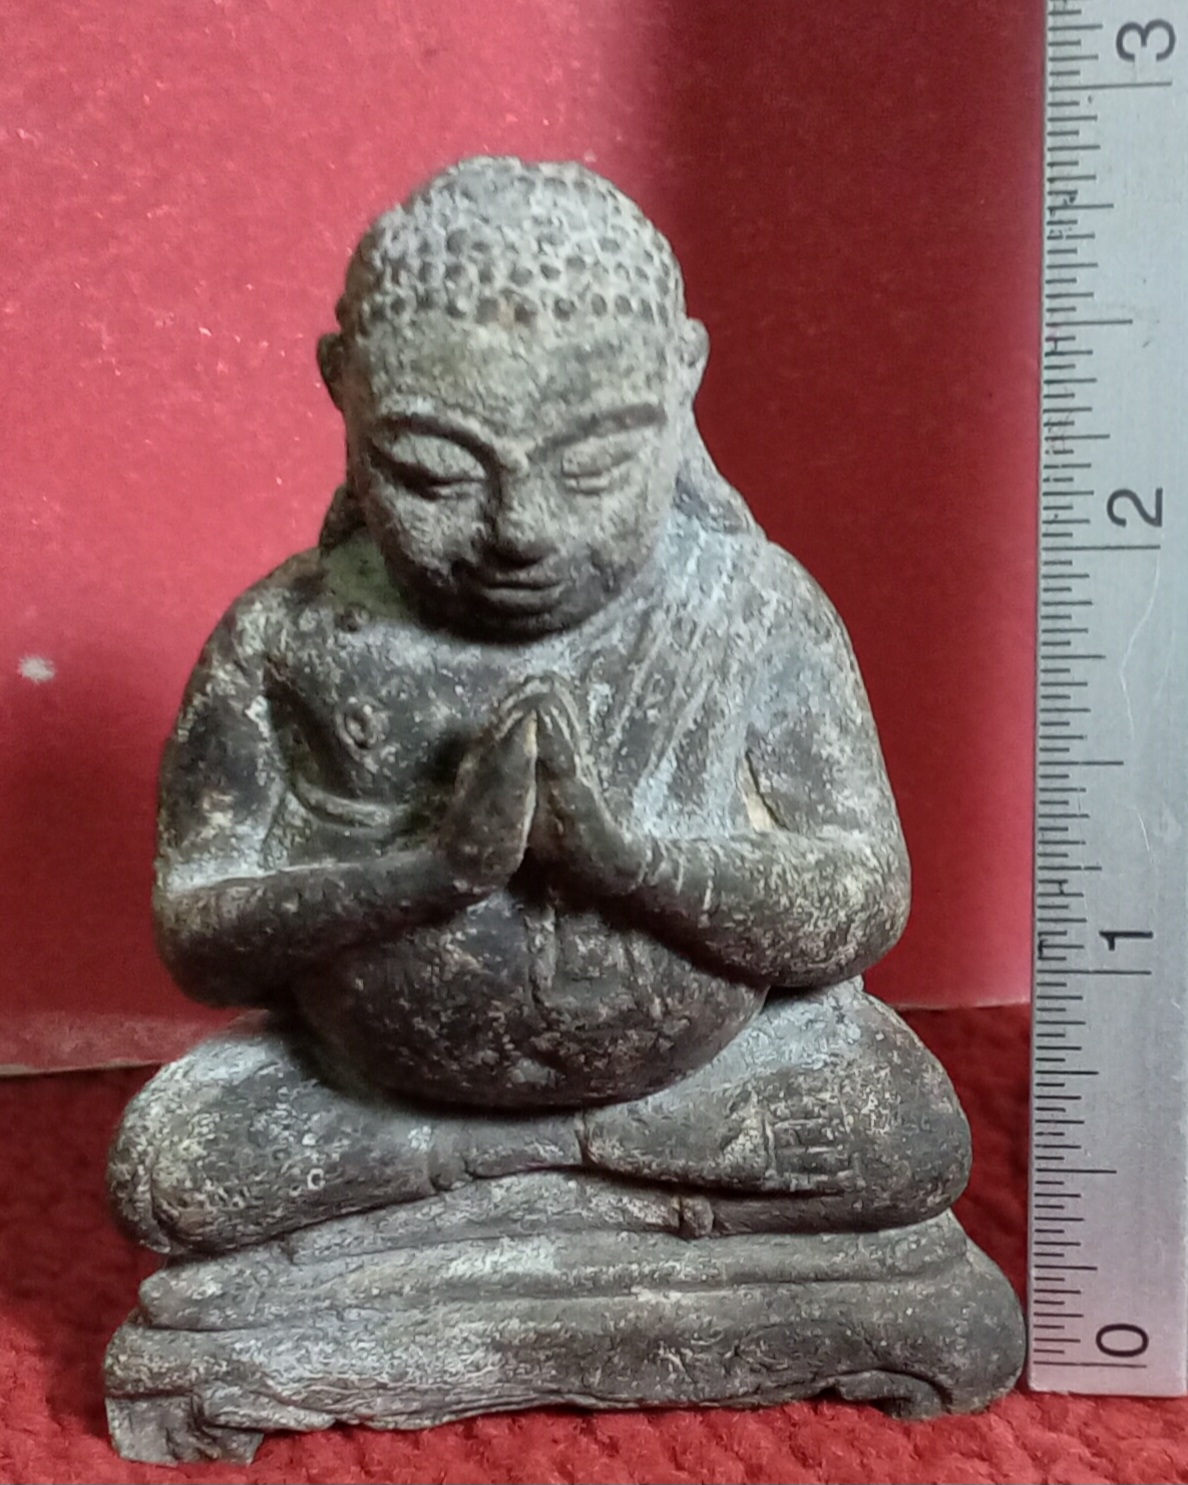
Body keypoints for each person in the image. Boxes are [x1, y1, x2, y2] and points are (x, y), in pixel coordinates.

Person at [115, 156, 967, 1255]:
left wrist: (629, 864)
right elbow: (202, 935)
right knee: (170, 1164)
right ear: (343, 389)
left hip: (705, 1075)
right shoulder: (289, 633)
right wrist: (432, 874)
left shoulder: (751, 607)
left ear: (681, 382)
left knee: (905, 1128)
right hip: (375, 1092)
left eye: (591, 467)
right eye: (434, 473)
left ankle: (477, 1187)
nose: (518, 528)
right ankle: (573, 1173)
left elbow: (861, 898)